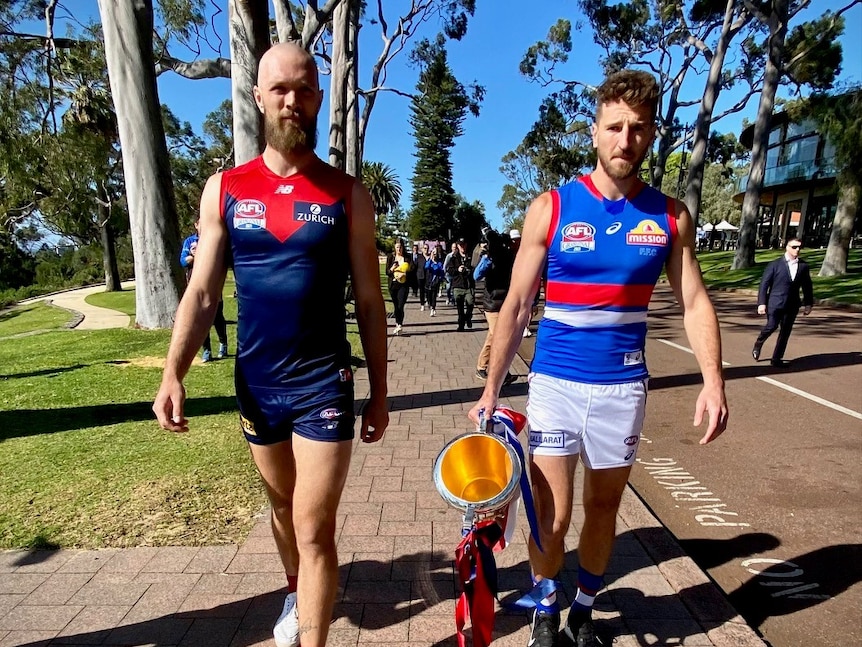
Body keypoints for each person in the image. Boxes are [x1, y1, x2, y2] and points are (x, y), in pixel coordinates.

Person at [468, 69, 728, 647]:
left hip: (622, 390)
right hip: (556, 384)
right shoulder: (552, 209)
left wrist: (713, 379)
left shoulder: (670, 216)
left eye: (637, 129)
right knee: (550, 513)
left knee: (604, 507)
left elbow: (693, 299)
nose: (624, 140)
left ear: (651, 134)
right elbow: (514, 306)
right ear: (594, 131)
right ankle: (546, 608)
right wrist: (491, 390)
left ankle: (584, 607)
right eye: (614, 127)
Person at [152, 42, 389, 647]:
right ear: (257, 97)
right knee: (283, 511)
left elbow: (367, 300)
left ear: (318, 99)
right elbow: (203, 293)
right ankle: (295, 592)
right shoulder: (225, 190)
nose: (292, 100)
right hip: (257, 385)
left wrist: (381, 390)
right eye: (280, 88)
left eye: (305, 89)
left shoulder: (347, 195)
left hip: (323, 384)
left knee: (314, 527)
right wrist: (172, 371)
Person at [752, 237, 814, 367]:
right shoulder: (774, 265)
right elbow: (764, 284)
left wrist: (808, 304)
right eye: (794, 247)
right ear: (787, 247)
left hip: (792, 305)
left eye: (799, 247)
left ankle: (777, 359)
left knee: (785, 332)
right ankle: (758, 344)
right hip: (775, 303)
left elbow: (807, 286)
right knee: (772, 326)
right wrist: (761, 303)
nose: (797, 250)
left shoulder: (803, 266)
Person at [180, 217, 229, 362]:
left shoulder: (214, 239)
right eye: (200, 222)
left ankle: (223, 344)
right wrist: (196, 256)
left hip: (214, 285)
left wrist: (198, 255)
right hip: (195, 286)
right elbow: (183, 261)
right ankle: (206, 350)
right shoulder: (189, 242)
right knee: (200, 319)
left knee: (217, 317)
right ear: (196, 225)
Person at [473, 227, 517, 386]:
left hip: (505, 302)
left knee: (493, 337)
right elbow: (476, 276)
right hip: (492, 304)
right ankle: (500, 373)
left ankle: (482, 366)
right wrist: (486, 256)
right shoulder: (488, 258)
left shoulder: (508, 256)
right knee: (499, 337)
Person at [446, 238, 474, 331]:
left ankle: (468, 317)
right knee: (460, 307)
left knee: (470, 303)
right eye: (460, 245)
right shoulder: (454, 258)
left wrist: (469, 270)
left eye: (464, 245)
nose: (462, 247)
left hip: (468, 285)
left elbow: (475, 267)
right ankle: (461, 325)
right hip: (458, 285)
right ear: (458, 246)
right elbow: (449, 270)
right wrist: (457, 269)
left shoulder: (471, 256)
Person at [386, 239, 411, 334]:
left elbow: (412, 270)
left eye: (400, 247)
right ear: (394, 248)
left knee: (401, 305)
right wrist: (392, 269)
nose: (399, 249)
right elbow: (387, 272)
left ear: (403, 248)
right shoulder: (390, 257)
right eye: (397, 247)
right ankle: (397, 324)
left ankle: (400, 324)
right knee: (396, 306)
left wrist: (404, 274)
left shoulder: (407, 257)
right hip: (393, 285)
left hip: (403, 285)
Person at [425, 246, 446, 316]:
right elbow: (426, 267)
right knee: (429, 296)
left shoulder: (439, 263)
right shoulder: (429, 262)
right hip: (428, 282)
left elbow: (441, 271)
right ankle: (430, 304)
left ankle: (433, 308)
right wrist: (431, 259)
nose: (434, 254)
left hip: (435, 282)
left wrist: (441, 278)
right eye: (433, 252)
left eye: (435, 253)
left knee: (434, 296)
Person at [415, 243, 430, 311]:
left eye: (427, 248)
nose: (426, 250)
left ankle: (428, 301)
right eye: (424, 248)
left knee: (428, 290)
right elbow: (416, 266)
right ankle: (422, 304)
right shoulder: (419, 257)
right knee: (421, 290)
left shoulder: (430, 257)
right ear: (422, 249)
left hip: (428, 276)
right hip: (420, 276)